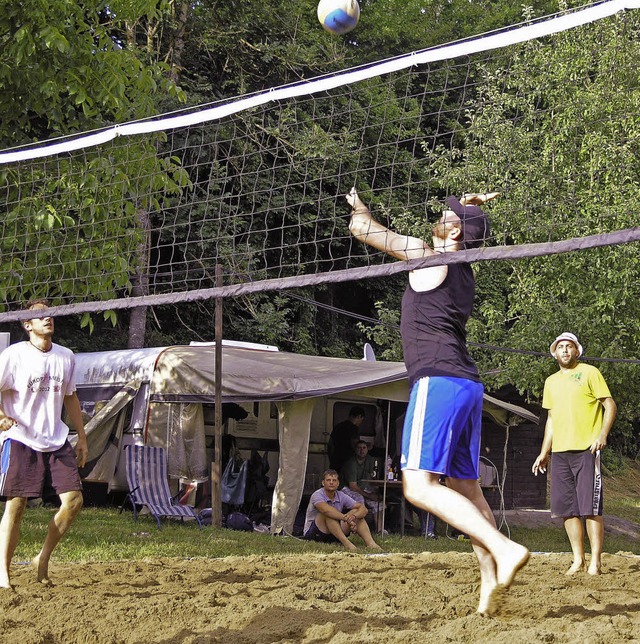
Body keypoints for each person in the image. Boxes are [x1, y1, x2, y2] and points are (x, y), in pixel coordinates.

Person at [347, 187, 529, 616]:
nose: (442, 216)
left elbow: (362, 229)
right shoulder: (462, 268)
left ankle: (504, 548)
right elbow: (465, 225)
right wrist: (472, 208)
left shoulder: (427, 254)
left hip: (438, 379)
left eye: (450, 217)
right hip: (467, 384)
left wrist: (359, 207)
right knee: (467, 488)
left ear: (453, 232)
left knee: (417, 485)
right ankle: (490, 584)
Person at [0, 299, 88, 589]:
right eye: (40, 316)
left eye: (50, 314)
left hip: (55, 438)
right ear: (27, 325)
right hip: (21, 437)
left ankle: (42, 559)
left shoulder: (66, 356)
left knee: (74, 502)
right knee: (17, 505)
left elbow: (70, 396)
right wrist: (1, 415)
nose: (48, 318)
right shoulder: (14, 355)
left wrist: (82, 437)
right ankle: (3, 573)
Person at [532, 332, 616, 576]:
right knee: (566, 509)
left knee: (590, 507)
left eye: (569, 346)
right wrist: (544, 452)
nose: (565, 350)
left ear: (577, 351)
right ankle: (578, 559)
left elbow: (609, 405)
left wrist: (602, 435)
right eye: (561, 347)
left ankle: (595, 562)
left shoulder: (590, 373)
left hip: (587, 450)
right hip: (560, 453)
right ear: (555, 353)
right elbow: (551, 419)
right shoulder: (551, 382)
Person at [303, 469, 381, 551]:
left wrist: (353, 517)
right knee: (328, 515)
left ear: (338, 483)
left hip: (334, 532)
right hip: (315, 532)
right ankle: (348, 545)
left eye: (334, 480)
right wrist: (346, 519)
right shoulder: (317, 495)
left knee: (355, 511)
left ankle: (371, 544)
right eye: (328, 480)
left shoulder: (341, 495)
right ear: (323, 483)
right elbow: (326, 510)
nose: (331, 482)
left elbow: (363, 509)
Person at [340, 440, 386, 533]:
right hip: (345, 488)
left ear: (368, 449)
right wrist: (369, 495)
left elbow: (372, 478)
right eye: (359, 448)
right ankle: (355, 529)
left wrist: (374, 495)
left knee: (378, 502)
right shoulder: (351, 463)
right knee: (359, 500)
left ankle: (380, 529)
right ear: (355, 450)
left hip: (361, 487)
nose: (362, 450)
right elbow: (353, 486)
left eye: (364, 448)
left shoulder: (370, 460)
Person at [328, 406, 365, 473]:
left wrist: (331, 459)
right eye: (361, 419)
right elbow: (355, 445)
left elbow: (330, 444)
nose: (360, 422)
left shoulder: (338, 426)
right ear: (359, 416)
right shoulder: (354, 429)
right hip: (347, 462)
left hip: (335, 461)